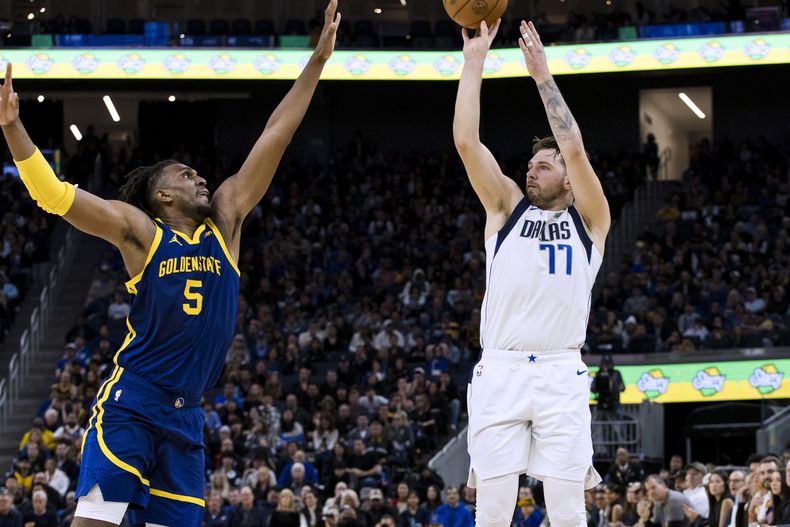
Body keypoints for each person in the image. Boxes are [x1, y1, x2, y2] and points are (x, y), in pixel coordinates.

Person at [0, 2, 340, 525]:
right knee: (96, 521)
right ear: (161, 195)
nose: (200, 179)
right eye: (186, 175)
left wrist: (316, 63)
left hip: (186, 416)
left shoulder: (225, 223)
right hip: (132, 402)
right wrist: (14, 129)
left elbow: (275, 135)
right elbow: (55, 197)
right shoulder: (141, 234)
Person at [453, 17, 610, 527]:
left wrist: (541, 76)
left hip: (562, 372)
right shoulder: (506, 208)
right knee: (492, 513)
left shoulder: (591, 220)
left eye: (545, 165)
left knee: (568, 512)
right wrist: (473, 61)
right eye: (531, 164)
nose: (531, 170)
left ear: (567, 177)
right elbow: (467, 144)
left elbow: (576, 147)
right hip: (499, 368)